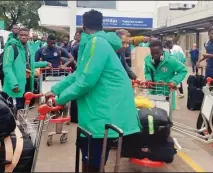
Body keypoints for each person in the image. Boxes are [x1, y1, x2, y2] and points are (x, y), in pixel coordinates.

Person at [45, 9, 141, 172]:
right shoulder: (95, 42)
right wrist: (54, 90)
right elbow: (79, 73)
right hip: (100, 109)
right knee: (90, 157)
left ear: (83, 25)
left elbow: (86, 81)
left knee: (94, 161)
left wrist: (60, 100)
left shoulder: (97, 43)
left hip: (104, 111)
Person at [2, 28, 50, 109]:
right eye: (21, 35)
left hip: (27, 82)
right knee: (14, 108)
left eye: (25, 35)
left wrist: (44, 64)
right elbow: (7, 67)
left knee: (24, 107)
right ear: (18, 36)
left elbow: (30, 64)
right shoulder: (11, 48)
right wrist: (14, 84)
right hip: (15, 84)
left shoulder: (29, 48)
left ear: (28, 36)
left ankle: (21, 121)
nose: (23, 37)